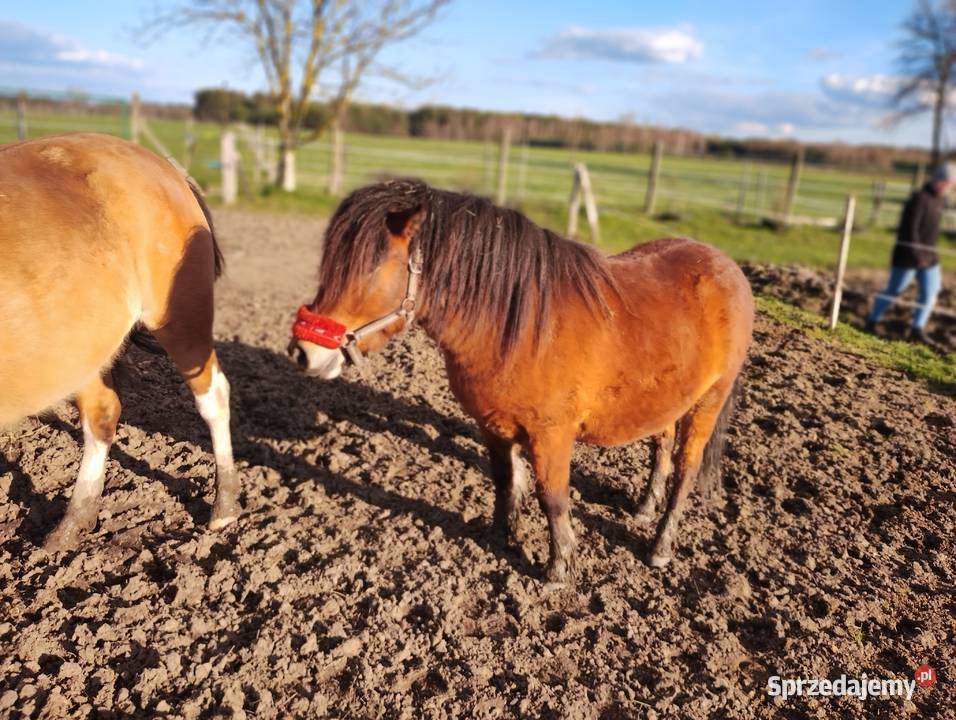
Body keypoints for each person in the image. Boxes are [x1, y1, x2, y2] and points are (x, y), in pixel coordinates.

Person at [865, 163, 951, 346]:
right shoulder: (918, 199)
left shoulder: (940, 201)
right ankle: (871, 321)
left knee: (930, 293)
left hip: (930, 258)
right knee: (894, 290)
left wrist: (928, 257)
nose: (948, 188)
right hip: (908, 257)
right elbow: (909, 230)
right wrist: (917, 255)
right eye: (947, 183)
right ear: (938, 180)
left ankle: (916, 329)